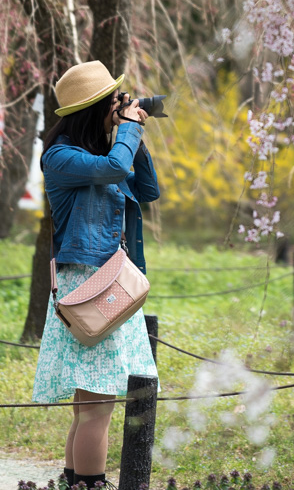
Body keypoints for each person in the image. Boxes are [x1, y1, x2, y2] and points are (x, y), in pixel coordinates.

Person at [32, 60, 160, 490]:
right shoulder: (62, 157)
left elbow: (146, 189)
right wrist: (126, 131)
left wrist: (132, 134)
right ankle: (91, 484)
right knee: (97, 408)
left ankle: (75, 482)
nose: (117, 108)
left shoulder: (102, 155)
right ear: (93, 109)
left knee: (89, 405)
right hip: (89, 289)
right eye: (111, 103)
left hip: (109, 287)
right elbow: (113, 170)